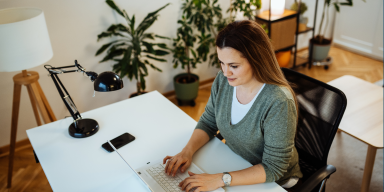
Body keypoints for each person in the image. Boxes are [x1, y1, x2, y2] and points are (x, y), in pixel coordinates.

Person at [163, 20, 303, 192]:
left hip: (274, 182)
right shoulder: (224, 81)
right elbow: (208, 122)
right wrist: (187, 151)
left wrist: (220, 179)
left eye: (233, 66)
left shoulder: (278, 101)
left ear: (256, 60)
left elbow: (274, 168)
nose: (225, 72)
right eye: (222, 63)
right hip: (236, 162)